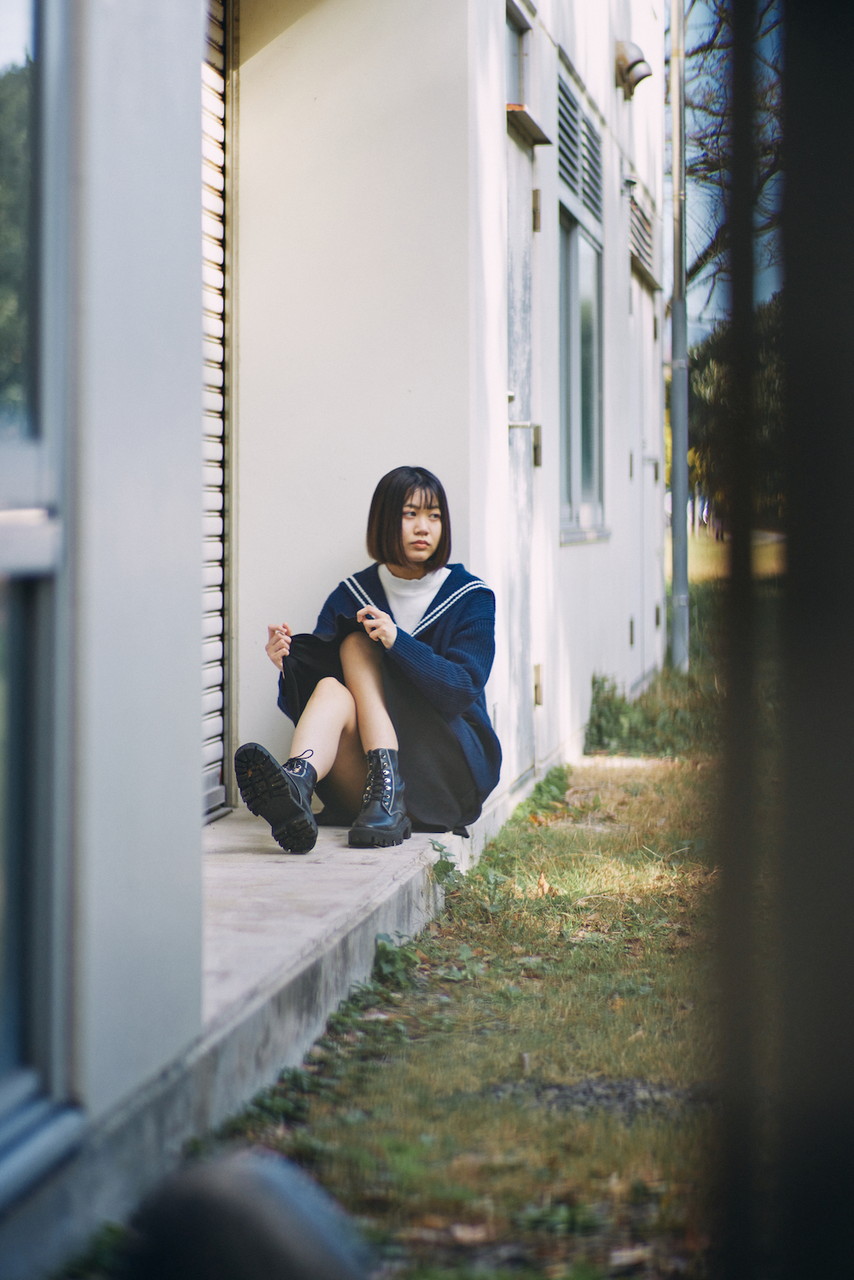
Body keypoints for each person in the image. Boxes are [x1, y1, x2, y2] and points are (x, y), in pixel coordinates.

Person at [234, 466, 501, 853]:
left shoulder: (471, 597)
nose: (423, 528)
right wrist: (289, 667)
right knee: (329, 687)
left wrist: (398, 642)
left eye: (434, 516)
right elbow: (312, 710)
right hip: (368, 792)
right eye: (410, 514)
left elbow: (461, 691)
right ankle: (297, 782)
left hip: (445, 775)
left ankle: (349, 789)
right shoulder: (352, 593)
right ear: (384, 520)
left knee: (357, 644)